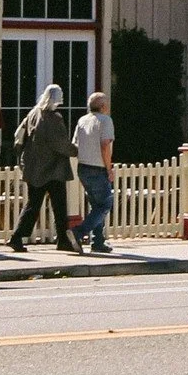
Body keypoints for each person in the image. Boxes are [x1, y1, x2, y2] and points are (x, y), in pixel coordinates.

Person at [9, 84, 80, 253]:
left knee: (33, 204)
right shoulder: (54, 118)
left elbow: (19, 135)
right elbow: (59, 143)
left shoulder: (33, 114)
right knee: (59, 206)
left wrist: (23, 157)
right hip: (53, 168)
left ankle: (17, 237)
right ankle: (62, 240)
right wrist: (76, 150)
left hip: (33, 167)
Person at [71, 91, 115, 254]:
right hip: (98, 168)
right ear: (103, 106)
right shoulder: (105, 120)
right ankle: (79, 232)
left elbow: (75, 144)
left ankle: (98, 241)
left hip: (83, 167)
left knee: (96, 205)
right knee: (105, 204)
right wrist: (109, 169)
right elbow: (105, 145)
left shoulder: (82, 120)